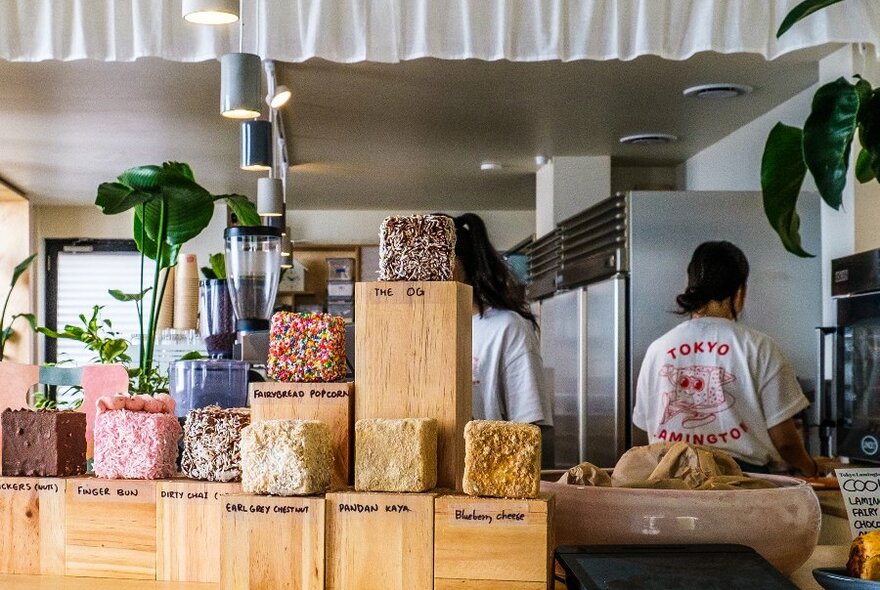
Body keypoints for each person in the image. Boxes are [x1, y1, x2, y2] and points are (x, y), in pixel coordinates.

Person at [632, 240, 819, 475]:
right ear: (740, 292)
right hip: (740, 481)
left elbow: (644, 427)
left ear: (690, 287)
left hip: (671, 479)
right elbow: (785, 443)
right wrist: (810, 468)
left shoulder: (658, 349)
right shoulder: (758, 347)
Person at [449, 213, 553, 432]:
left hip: (487, 465)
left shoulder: (507, 327)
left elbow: (527, 428)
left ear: (456, 267)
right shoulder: (426, 330)